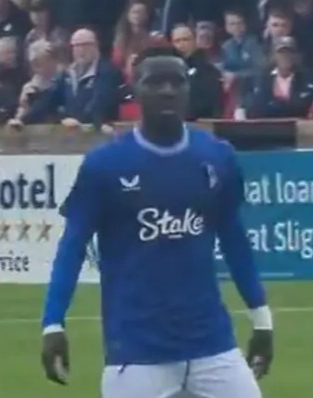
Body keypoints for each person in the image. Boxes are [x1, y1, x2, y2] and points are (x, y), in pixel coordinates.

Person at [40, 47, 274, 398]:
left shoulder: (217, 156)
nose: (167, 90)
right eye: (155, 81)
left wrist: (262, 319)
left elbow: (234, 239)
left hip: (212, 344)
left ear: (187, 89)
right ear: (134, 87)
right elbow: (72, 246)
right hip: (137, 352)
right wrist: (52, 322)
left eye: (176, 82)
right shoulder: (106, 165)